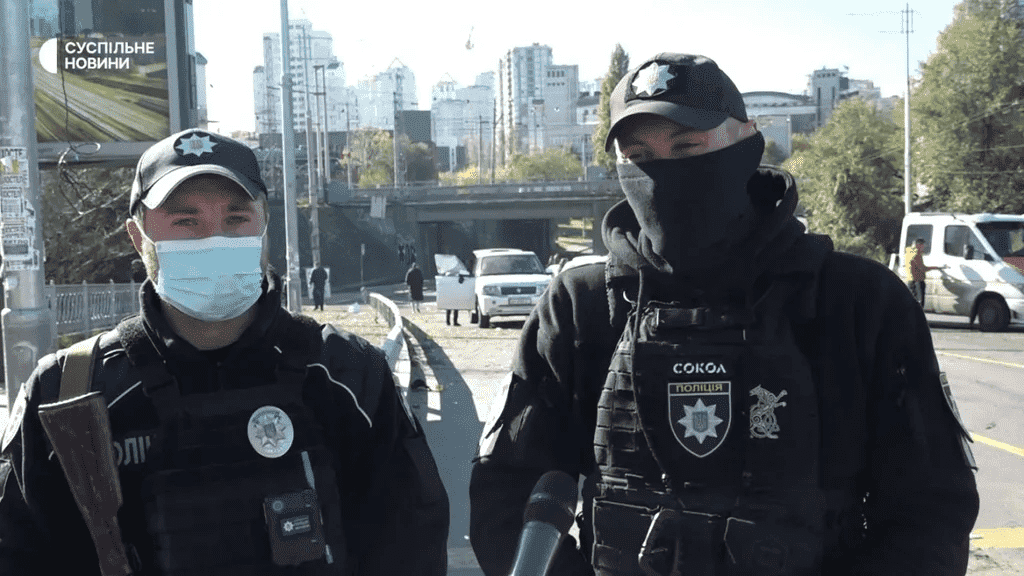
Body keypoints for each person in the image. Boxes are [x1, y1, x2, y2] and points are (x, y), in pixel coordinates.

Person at [469, 54, 978, 576]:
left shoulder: (859, 303)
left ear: (748, 142)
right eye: (637, 155)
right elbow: (506, 496)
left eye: (686, 147)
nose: (660, 173)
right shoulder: (581, 307)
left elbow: (931, 512)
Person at [0, 129, 449, 575]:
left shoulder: (347, 374)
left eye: (236, 219)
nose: (214, 239)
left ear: (264, 225)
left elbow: (411, 548)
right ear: (139, 237)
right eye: (186, 221)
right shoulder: (69, 394)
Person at [905, 238, 942, 308]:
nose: (923, 247)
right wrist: (936, 267)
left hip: (910, 280)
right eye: (923, 246)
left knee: (912, 302)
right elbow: (923, 268)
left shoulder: (908, 253)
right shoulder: (916, 254)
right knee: (919, 303)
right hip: (917, 281)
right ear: (918, 245)